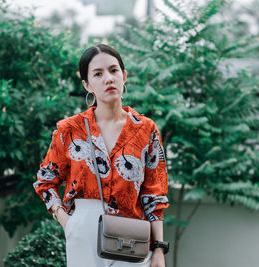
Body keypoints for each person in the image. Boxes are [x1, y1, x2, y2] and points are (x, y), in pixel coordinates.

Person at [34, 44, 169, 267]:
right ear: (87, 84)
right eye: (98, 73)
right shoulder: (69, 130)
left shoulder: (146, 130)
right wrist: (69, 223)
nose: (108, 78)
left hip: (132, 234)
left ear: (124, 76)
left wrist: (159, 250)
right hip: (83, 231)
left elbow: (154, 196)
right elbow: (45, 181)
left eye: (114, 71)